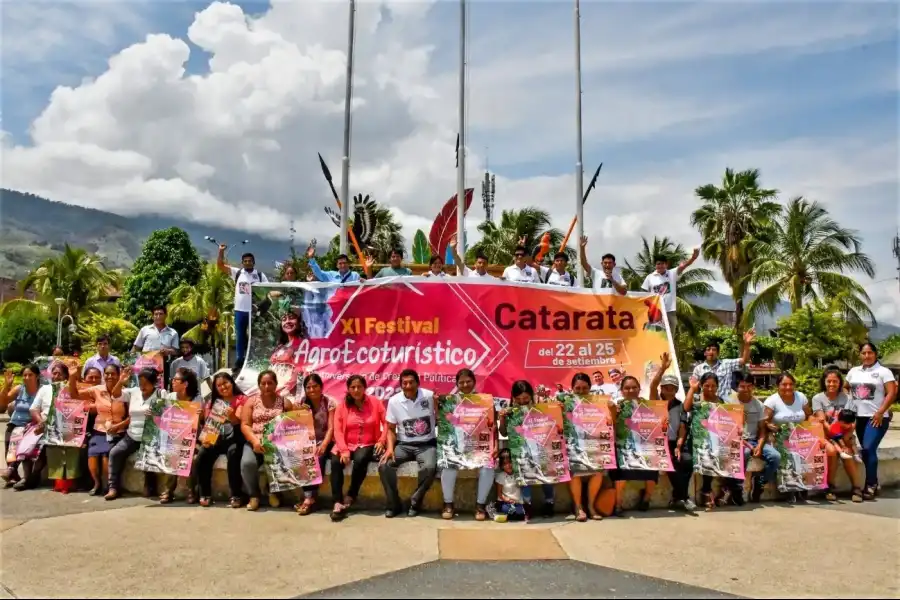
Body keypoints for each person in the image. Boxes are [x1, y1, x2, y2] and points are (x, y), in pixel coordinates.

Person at [440, 369, 497, 522]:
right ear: (456, 384)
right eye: (461, 382)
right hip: (457, 446)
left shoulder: (484, 401)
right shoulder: (450, 402)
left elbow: (493, 427)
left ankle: (480, 506)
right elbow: (444, 423)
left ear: (474, 381)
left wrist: (495, 446)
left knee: (488, 466)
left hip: (479, 447)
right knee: (448, 465)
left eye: (468, 381)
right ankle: (448, 504)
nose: (465, 385)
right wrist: (436, 404)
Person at [379, 369, 437, 518]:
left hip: (426, 444)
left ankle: (415, 502)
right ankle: (394, 504)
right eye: (405, 383)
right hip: (404, 444)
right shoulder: (394, 401)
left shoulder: (430, 396)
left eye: (411, 382)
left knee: (430, 467)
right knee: (384, 465)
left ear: (418, 383)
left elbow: (443, 417)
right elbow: (391, 429)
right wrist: (390, 449)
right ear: (400, 385)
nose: (408, 386)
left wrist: (438, 404)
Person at [67, 364, 130, 495]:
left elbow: (131, 416)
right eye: (107, 374)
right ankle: (97, 483)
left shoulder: (126, 392)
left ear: (119, 375)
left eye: (113, 374)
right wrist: (72, 377)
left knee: (106, 457)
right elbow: (74, 394)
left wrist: (119, 426)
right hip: (99, 429)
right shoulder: (97, 390)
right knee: (93, 456)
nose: (110, 376)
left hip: (117, 431)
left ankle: (109, 485)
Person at [330, 375, 386, 522]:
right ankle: (337, 502)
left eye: (359, 387)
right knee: (335, 462)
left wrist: (381, 440)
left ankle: (351, 495)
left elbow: (387, 423)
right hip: (345, 444)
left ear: (364, 388)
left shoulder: (375, 403)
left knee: (361, 459)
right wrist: (343, 450)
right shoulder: (342, 406)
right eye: (352, 387)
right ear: (348, 389)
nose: (356, 390)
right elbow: (337, 430)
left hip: (367, 443)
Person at [846, 341, 897, 500]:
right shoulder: (854, 371)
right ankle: (874, 482)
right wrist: (849, 399)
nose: (867, 356)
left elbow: (892, 392)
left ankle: (870, 484)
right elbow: (845, 386)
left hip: (876, 418)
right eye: (864, 353)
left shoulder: (884, 371)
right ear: (860, 355)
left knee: (868, 448)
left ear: (875, 354)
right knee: (867, 452)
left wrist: (881, 411)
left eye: (870, 353)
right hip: (858, 417)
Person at [498, 380, 555, 518]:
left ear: (532, 395)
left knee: (546, 477)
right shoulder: (509, 409)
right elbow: (504, 433)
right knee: (524, 478)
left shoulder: (541, 406)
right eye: (518, 399)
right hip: (521, 451)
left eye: (526, 398)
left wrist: (556, 409)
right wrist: (502, 418)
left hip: (540, 449)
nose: (522, 402)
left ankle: (549, 503)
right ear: (513, 397)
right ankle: (527, 506)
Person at [240, 370, 293, 511]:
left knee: (276, 460)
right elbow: (245, 424)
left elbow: (291, 426)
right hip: (255, 441)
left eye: (270, 383)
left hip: (276, 443)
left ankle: (273, 491)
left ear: (276, 384)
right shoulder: (251, 401)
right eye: (263, 383)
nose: (267, 386)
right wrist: (254, 441)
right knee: (247, 463)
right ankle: (254, 495)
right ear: (259, 385)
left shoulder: (285, 403)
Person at [106, 368, 162, 501]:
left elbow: (169, 413)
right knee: (115, 453)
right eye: (140, 382)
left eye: (146, 383)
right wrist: (121, 381)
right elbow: (115, 395)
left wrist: (157, 414)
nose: (142, 386)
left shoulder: (161, 394)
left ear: (154, 383)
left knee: (149, 455)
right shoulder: (134, 392)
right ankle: (113, 487)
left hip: (150, 436)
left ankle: (150, 486)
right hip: (131, 435)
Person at [648, 353, 694, 511]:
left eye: (672, 388)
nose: (669, 391)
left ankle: (677, 497)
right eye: (666, 387)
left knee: (687, 461)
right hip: (658, 442)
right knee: (671, 465)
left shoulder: (680, 405)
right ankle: (684, 497)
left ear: (676, 390)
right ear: (662, 388)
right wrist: (662, 368)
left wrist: (679, 446)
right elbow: (652, 386)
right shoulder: (656, 401)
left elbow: (683, 427)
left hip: (675, 441)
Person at [194, 372, 248, 508]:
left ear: (232, 382)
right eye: (219, 385)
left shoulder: (242, 399)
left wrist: (231, 416)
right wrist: (200, 418)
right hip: (216, 438)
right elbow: (208, 425)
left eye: (226, 383)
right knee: (202, 455)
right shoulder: (211, 402)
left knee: (234, 453)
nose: (223, 387)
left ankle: (236, 494)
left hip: (235, 436)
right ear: (215, 388)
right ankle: (204, 493)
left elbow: (239, 422)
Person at [610, 375, 660, 514]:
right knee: (621, 472)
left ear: (639, 389)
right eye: (627, 388)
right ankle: (618, 504)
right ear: (621, 391)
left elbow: (654, 387)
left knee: (652, 466)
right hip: (624, 445)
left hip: (644, 445)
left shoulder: (647, 404)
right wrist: (613, 410)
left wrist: (661, 370)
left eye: (634, 387)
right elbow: (612, 423)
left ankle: (646, 499)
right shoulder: (617, 405)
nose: (631, 390)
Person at [812, 366, 862, 502]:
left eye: (835, 381)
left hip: (846, 434)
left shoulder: (847, 398)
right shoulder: (818, 399)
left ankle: (856, 488)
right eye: (829, 381)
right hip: (827, 435)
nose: (832, 384)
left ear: (840, 382)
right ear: (824, 382)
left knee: (849, 454)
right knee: (832, 452)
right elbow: (823, 422)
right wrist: (837, 438)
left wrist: (846, 437)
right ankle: (829, 486)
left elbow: (852, 420)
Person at [763, 371, 813, 503]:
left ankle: (804, 486)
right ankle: (789, 489)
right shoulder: (772, 400)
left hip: (800, 435)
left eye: (791, 384)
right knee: (788, 453)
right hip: (780, 436)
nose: (788, 387)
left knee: (809, 451)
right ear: (778, 386)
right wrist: (770, 425)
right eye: (784, 384)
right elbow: (764, 421)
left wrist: (814, 427)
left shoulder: (801, 397)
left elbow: (809, 415)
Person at [565, 373, 610, 521]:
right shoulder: (565, 403)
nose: (581, 391)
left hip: (594, 444)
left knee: (598, 472)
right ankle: (578, 507)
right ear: (572, 389)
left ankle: (591, 506)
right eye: (577, 388)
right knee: (575, 474)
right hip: (574, 445)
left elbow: (610, 422)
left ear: (590, 388)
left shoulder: (599, 403)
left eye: (585, 388)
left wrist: (611, 409)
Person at [730, 372, 780, 503]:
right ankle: (737, 490)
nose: (746, 389)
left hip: (753, 440)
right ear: (737, 387)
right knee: (745, 453)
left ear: (753, 387)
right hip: (735, 440)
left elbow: (762, 429)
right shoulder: (729, 401)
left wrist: (759, 445)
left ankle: (760, 483)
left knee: (775, 457)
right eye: (742, 386)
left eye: (749, 386)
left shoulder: (758, 405)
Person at [681, 372, 728, 510]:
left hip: (712, 438)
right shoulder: (696, 397)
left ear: (717, 387)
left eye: (713, 386)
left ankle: (706, 490)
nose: (710, 388)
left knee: (714, 456)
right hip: (694, 438)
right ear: (701, 385)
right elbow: (686, 408)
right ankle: (684, 495)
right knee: (687, 461)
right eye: (707, 385)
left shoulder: (720, 401)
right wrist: (692, 388)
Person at [158, 368, 204, 505]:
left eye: (176, 380)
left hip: (192, 438)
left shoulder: (197, 399)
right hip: (173, 437)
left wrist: (201, 415)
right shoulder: (170, 398)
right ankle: (168, 490)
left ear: (185, 384)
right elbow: (162, 418)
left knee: (192, 457)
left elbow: (202, 423)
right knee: (172, 452)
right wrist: (153, 413)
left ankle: (191, 490)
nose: (172, 382)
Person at [28, 362, 73, 492]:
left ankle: (63, 483)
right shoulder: (45, 389)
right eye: (54, 373)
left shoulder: (69, 388)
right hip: (45, 424)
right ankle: (31, 475)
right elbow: (34, 409)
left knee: (59, 443)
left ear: (65, 376)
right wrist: (42, 422)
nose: (56, 376)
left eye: (60, 373)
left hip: (65, 426)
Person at [295, 373, 335, 515]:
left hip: (326, 440)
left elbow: (331, 428)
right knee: (301, 457)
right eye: (308, 387)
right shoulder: (302, 403)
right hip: (307, 440)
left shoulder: (329, 403)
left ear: (321, 387)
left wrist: (324, 444)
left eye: (315, 386)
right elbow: (298, 427)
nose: (312, 390)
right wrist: (301, 412)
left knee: (318, 458)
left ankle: (308, 498)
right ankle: (310, 498)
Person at [0, 365, 42, 487]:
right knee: (9, 441)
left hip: (31, 425)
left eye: (30, 375)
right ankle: (13, 476)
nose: (27, 378)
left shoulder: (42, 391)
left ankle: (13, 471)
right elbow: (3, 403)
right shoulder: (20, 389)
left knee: (20, 438)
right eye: (24, 375)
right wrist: (7, 385)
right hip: (15, 422)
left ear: (37, 376)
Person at [640, 249, 699, 332]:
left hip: (670, 311)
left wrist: (693, 258)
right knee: (657, 336)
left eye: (662, 264)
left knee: (670, 338)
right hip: (656, 311)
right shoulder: (650, 277)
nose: (660, 266)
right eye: (658, 264)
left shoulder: (672, 273)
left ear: (666, 264)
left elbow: (683, 266)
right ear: (655, 265)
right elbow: (643, 294)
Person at [691, 329, 755, 402]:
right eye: (708, 350)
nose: (711, 352)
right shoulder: (698, 369)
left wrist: (747, 344)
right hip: (706, 405)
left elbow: (744, 360)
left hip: (725, 404)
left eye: (714, 350)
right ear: (705, 353)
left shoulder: (726, 364)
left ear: (718, 353)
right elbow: (694, 387)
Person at [132, 305, 179, 387]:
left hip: (163, 366)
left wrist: (168, 351)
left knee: (160, 388)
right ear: (152, 316)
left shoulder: (173, 332)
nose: (158, 316)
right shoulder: (145, 330)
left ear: (165, 315)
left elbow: (176, 351)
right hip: (146, 365)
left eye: (161, 314)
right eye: (156, 314)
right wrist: (130, 361)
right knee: (144, 386)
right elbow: (136, 347)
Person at [494, 448, 527, 523]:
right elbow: (499, 493)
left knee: (520, 514)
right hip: (505, 502)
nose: (508, 465)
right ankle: (504, 513)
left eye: (510, 462)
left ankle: (512, 514)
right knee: (507, 510)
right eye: (505, 464)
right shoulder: (501, 476)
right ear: (502, 466)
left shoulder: (518, 475)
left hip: (517, 502)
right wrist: (506, 499)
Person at [306, 245, 370, 284]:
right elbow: (318, 273)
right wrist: (311, 258)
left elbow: (363, 287)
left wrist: (364, 282)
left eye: (345, 263)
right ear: (337, 265)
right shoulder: (331, 275)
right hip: (334, 305)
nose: (343, 265)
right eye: (340, 263)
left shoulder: (355, 275)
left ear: (348, 264)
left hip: (349, 305)